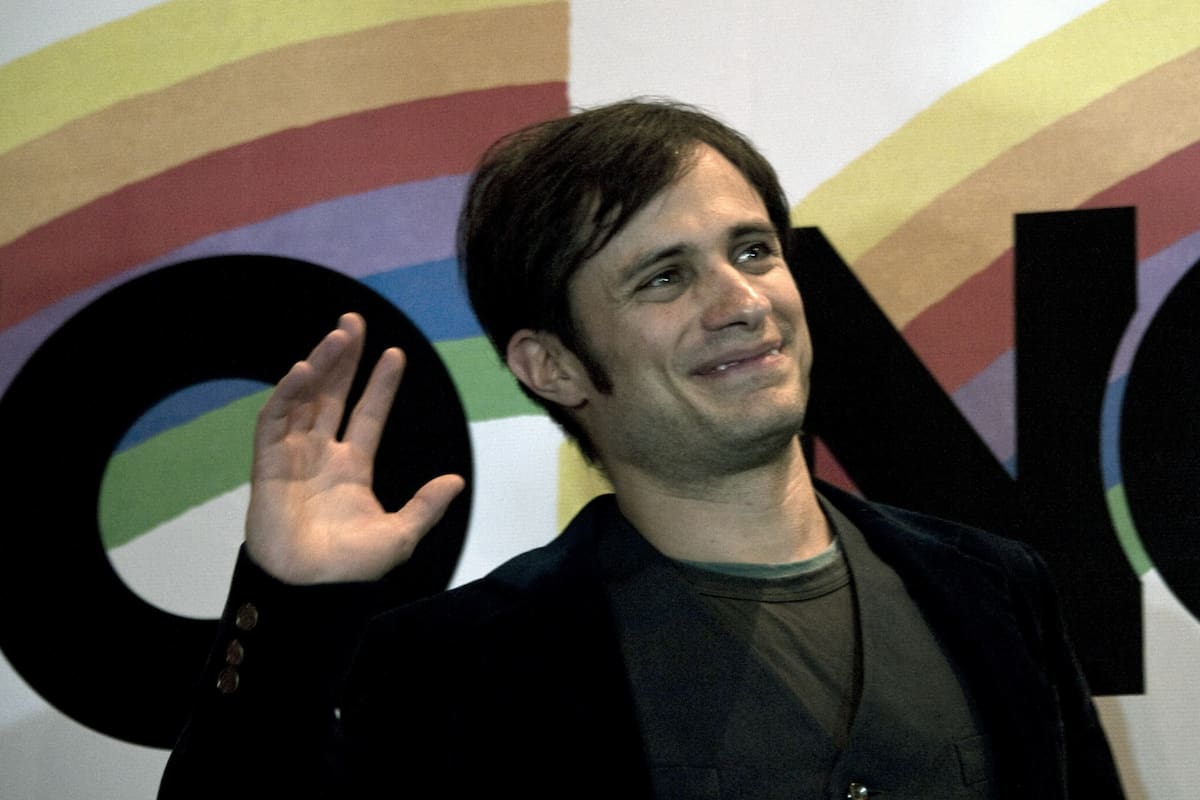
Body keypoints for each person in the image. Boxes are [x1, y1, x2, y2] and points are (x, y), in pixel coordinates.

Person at [159, 100, 1124, 799]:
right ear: (554, 364)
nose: (742, 303)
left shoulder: (995, 589)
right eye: (665, 277)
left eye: (752, 251)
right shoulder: (458, 665)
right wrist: (288, 607)